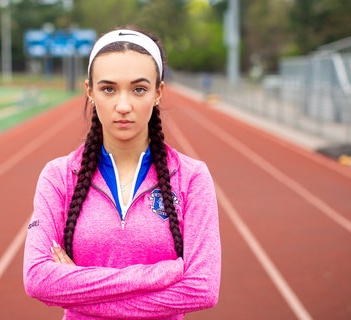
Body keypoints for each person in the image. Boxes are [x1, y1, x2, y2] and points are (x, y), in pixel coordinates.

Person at [23, 27, 221, 319]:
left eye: (139, 89)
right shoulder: (59, 176)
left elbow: (203, 288)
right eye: (108, 89)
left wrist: (77, 289)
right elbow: (38, 279)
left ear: (158, 92)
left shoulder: (191, 178)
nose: (124, 106)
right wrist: (164, 273)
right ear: (90, 91)